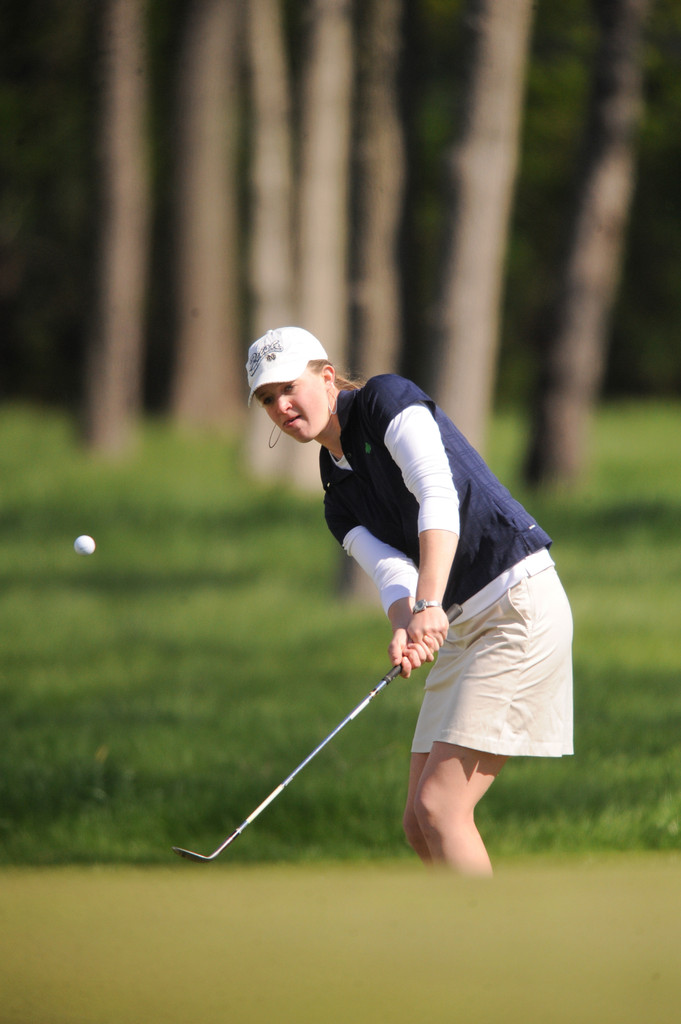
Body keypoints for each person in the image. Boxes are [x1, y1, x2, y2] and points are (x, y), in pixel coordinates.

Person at [246, 326, 573, 876]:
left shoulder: (385, 400)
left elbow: (436, 494)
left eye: (288, 388)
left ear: (327, 379)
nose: (280, 405)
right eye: (266, 398)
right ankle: (458, 949)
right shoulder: (336, 497)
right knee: (418, 825)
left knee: (441, 808)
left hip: (515, 601)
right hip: (466, 625)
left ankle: (495, 955)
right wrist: (404, 620)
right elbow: (391, 569)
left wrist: (427, 606)